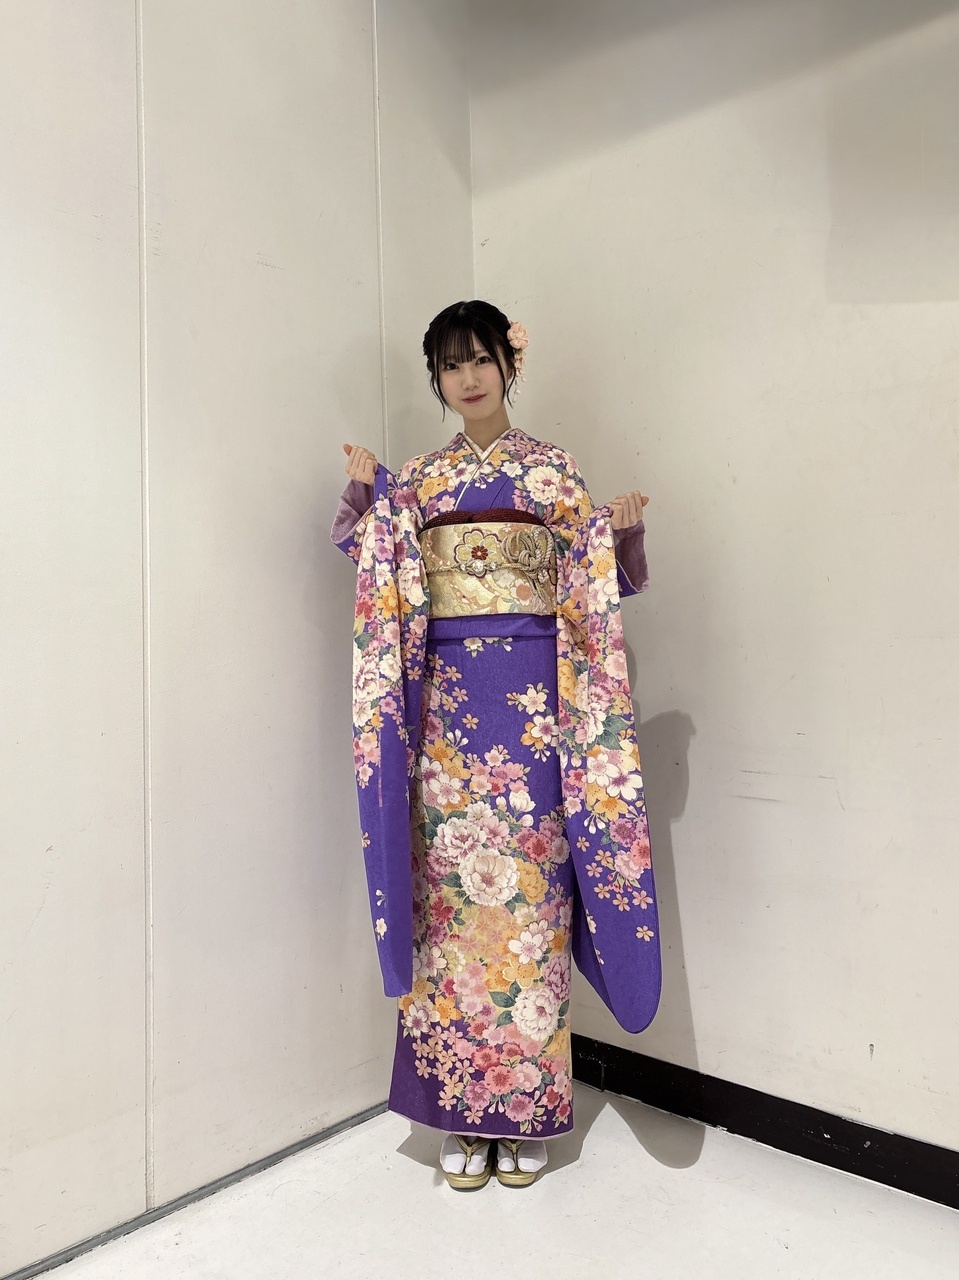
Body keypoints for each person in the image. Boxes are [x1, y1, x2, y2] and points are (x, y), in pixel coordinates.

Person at [331, 299, 662, 1190]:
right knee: (449, 911)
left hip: (533, 720)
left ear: (510, 366)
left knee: (530, 908)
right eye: (450, 365)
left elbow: (592, 584)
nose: (468, 378)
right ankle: (455, 1108)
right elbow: (379, 569)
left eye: (481, 359)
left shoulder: (552, 472)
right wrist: (367, 498)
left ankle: (526, 1110)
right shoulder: (422, 481)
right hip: (446, 721)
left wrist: (618, 532)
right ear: (436, 379)